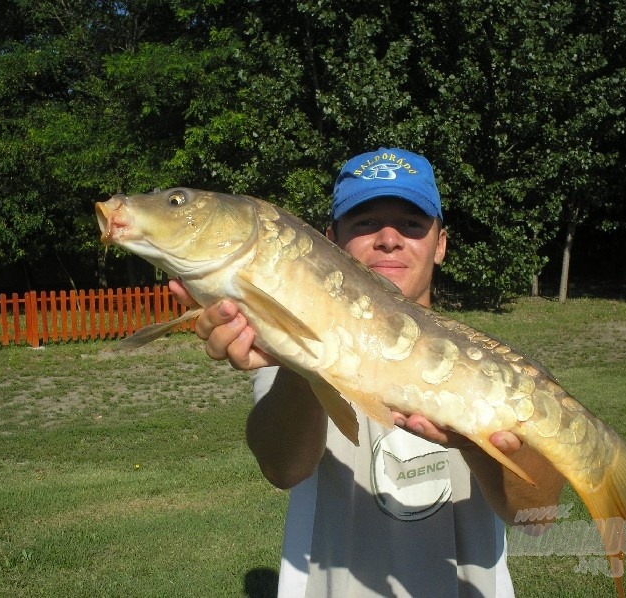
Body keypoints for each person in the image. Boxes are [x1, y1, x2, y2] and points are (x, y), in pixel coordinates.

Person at [170, 148, 564, 597]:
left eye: (412, 224)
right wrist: (304, 358)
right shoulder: (283, 353)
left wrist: (474, 444)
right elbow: (283, 469)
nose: (389, 239)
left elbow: (539, 517)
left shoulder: (493, 372)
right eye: (365, 223)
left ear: (441, 245)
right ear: (330, 242)